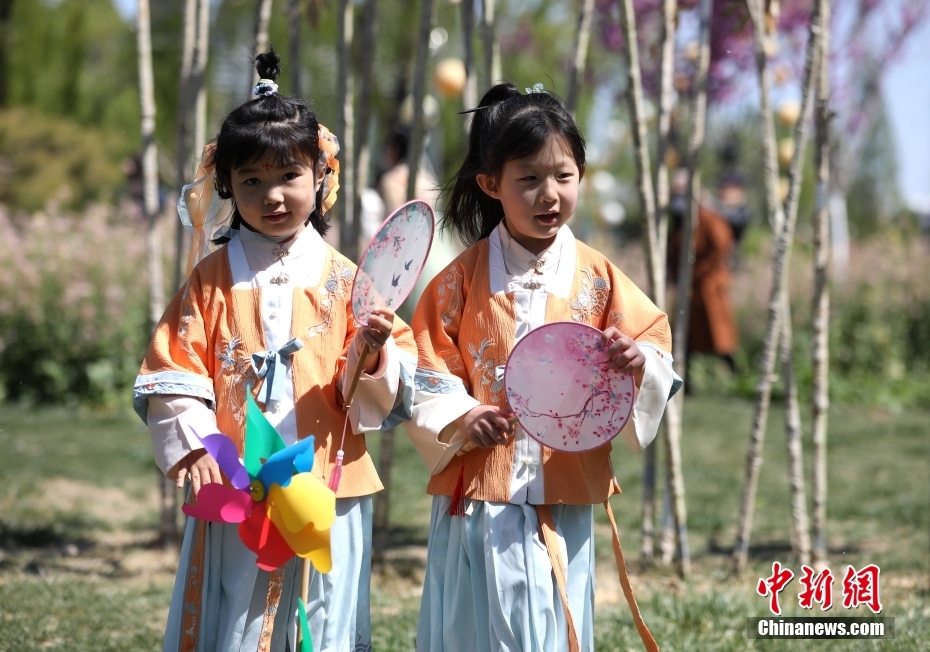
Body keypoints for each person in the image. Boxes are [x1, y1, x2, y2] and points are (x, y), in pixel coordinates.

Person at [133, 51, 417, 652]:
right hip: (239, 480)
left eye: (289, 176)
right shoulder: (210, 280)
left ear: (322, 175)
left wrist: (373, 353)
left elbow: (377, 386)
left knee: (322, 609)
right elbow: (173, 366)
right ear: (229, 187)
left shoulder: (349, 280)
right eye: (252, 181)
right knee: (239, 605)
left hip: (328, 485)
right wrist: (194, 449)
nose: (273, 196)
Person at [404, 82, 681, 652]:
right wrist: (462, 414)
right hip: (481, 493)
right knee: (478, 624)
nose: (547, 194)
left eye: (563, 176)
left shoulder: (599, 275)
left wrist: (637, 363)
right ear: (491, 185)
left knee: (553, 619)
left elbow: (653, 342)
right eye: (528, 179)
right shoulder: (459, 279)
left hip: (563, 488)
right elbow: (423, 360)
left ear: (581, 173)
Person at [668, 168, 739, 376]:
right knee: (686, 338)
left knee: (719, 335)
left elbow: (721, 247)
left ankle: (734, 375)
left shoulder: (709, 218)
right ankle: (686, 380)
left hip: (709, 289)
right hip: (690, 290)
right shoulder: (681, 221)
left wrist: (698, 272)